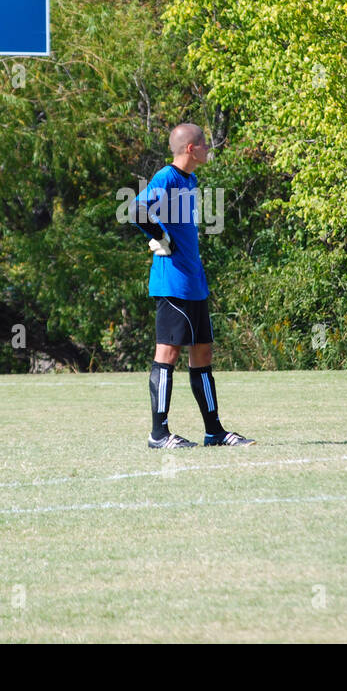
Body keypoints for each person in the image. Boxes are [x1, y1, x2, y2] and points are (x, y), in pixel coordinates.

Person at [130, 123, 254, 449]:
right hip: (172, 283)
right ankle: (158, 435)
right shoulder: (166, 178)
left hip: (194, 282)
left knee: (203, 353)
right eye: (204, 144)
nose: (207, 149)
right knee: (167, 354)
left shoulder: (191, 180)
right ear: (190, 149)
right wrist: (159, 238)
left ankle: (214, 431)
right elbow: (136, 209)